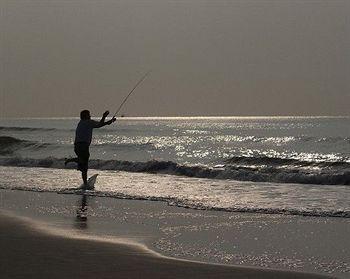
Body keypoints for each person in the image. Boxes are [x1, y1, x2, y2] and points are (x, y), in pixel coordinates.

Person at [65, 110, 116, 187]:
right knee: (83, 163)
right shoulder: (88, 122)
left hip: (77, 146)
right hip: (83, 146)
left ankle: (85, 183)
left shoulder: (81, 122)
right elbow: (99, 125)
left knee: (84, 167)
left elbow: (101, 124)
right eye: (89, 114)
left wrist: (108, 121)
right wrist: (104, 117)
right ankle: (69, 160)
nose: (90, 116)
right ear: (85, 116)